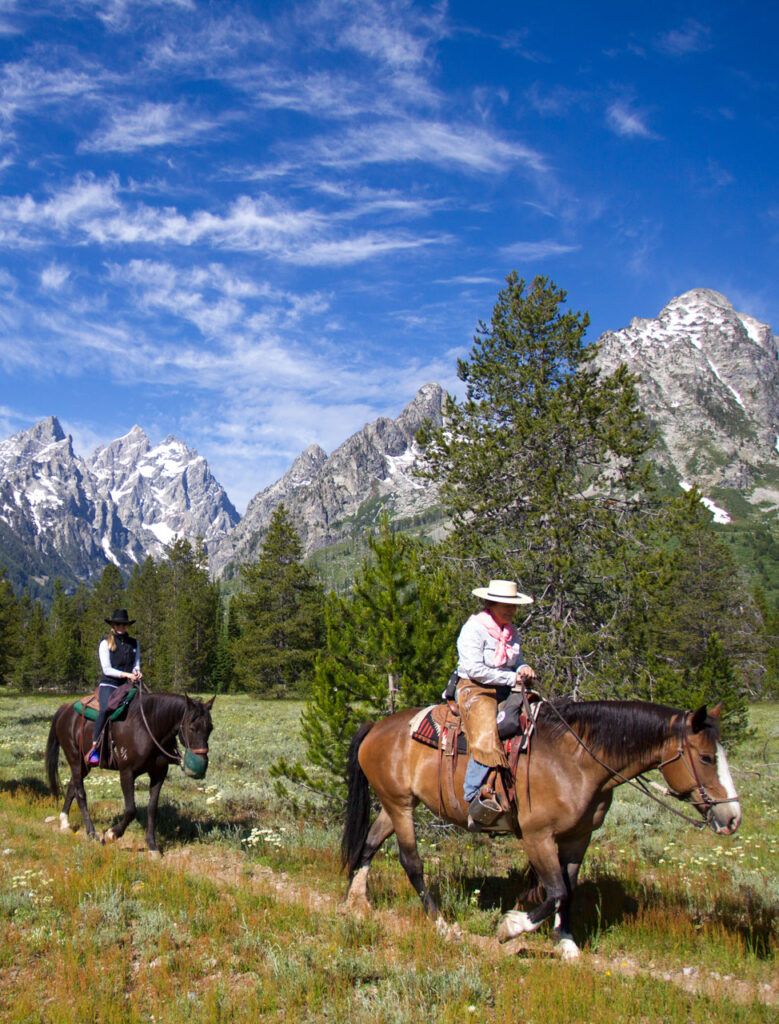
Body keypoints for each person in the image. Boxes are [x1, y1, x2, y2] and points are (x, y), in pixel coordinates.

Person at [456, 579, 535, 828]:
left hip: (505, 687)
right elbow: (475, 669)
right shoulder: (474, 628)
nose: (511, 611)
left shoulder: (511, 631)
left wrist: (524, 668)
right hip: (475, 688)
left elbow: (517, 660)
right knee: (487, 732)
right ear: (491, 604)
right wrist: (513, 676)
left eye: (513, 606)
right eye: (505, 605)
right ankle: (473, 797)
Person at [86, 609, 142, 767]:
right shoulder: (105, 643)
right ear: (113, 625)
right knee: (105, 709)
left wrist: (137, 672)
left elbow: (136, 663)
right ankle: (94, 747)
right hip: (109, 684)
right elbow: (107, 669)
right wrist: (127, 675)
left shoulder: (134, 643)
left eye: (124, 624)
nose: (121, 627)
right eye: (118, 624)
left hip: (127, 686)